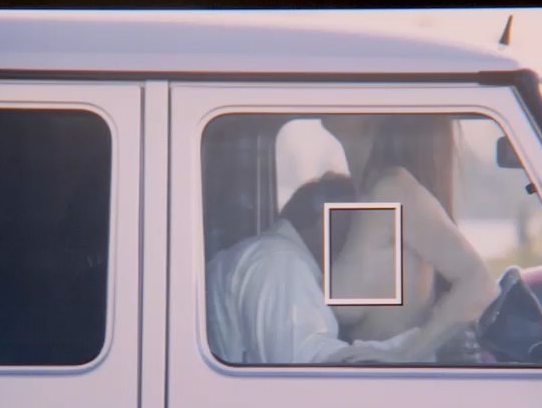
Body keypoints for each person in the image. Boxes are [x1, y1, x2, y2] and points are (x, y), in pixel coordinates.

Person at [322, 114, 496, 361]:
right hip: (366, 377)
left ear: (376, 118)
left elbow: (480, 283)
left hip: (394, 380)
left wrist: (405, 356)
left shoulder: (393, 189)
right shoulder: (365, 193)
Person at [206, 173, 416, 365]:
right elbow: (309, 363)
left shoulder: (276, 257)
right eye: (353, 218)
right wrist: (415, 344)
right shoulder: (279, 260)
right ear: (325, 216)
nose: (359, 231)